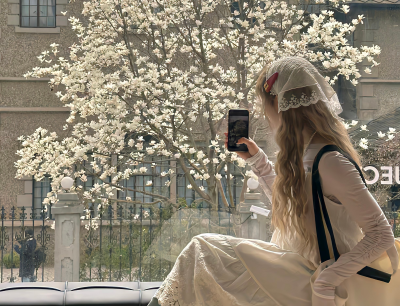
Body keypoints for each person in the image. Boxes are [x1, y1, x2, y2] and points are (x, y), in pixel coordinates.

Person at [148, 56, 400, 306]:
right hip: (297, 267)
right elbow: (292, 208)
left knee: (202, 250)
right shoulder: (305, 153)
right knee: (202, 256)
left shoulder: (330, 160)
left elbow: (381, 234)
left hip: (318, 279)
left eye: (264, 103)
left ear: (278, 102)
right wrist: (257, 160)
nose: (264, 112)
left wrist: (327, 280)